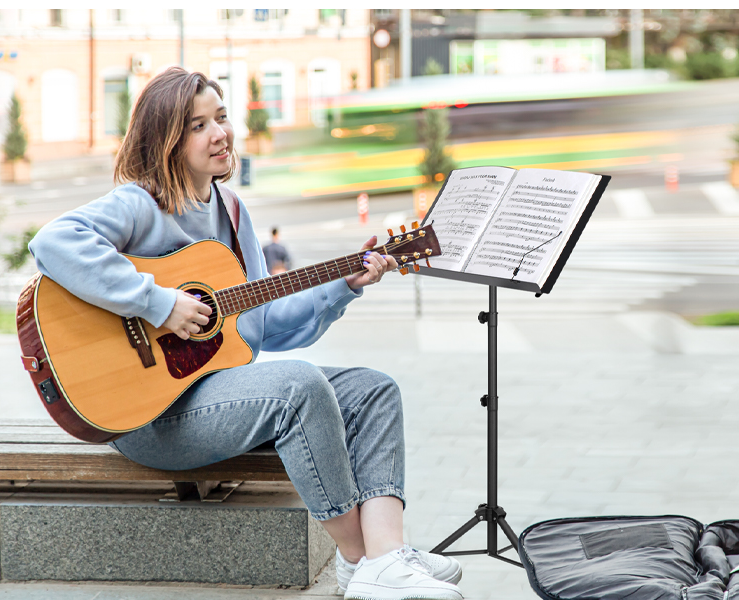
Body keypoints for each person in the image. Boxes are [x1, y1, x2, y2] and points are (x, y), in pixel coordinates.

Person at [26, 67, 463, 600]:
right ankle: (361, 558)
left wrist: (342, 286)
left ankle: (387, 558)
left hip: (212, 397)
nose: (220, 133)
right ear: (165, 137)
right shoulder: (140, 205)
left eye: (222, 117)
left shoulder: (232, 213)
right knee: (297, 388)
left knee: (373, 389)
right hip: (146, 417)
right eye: (198, 125)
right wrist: (158, 303)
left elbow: (259, 325)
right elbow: (54, 241)